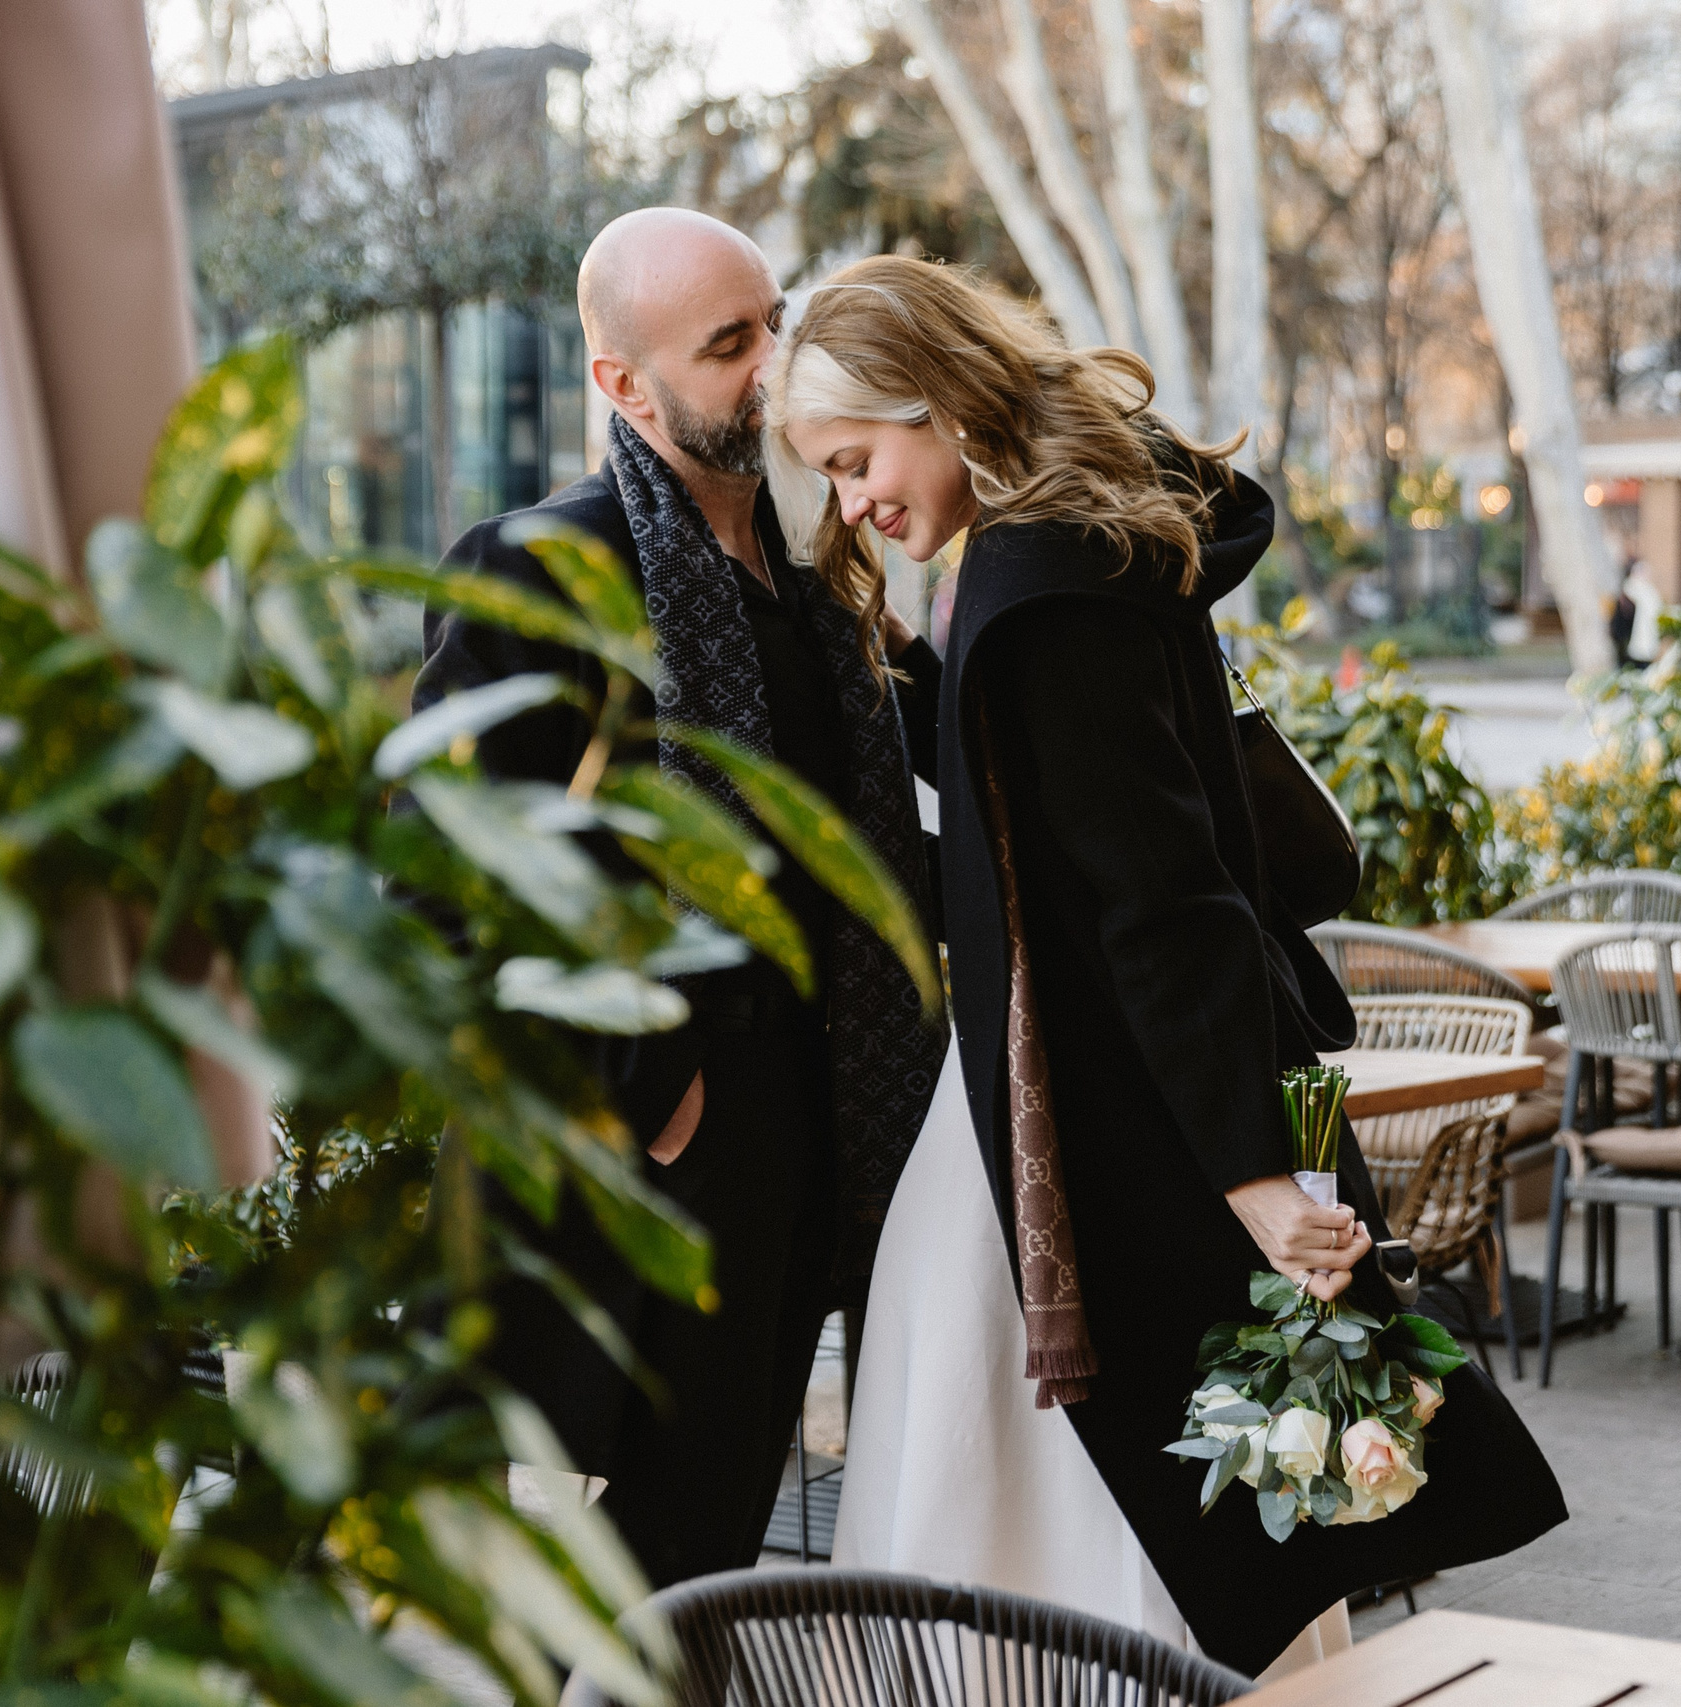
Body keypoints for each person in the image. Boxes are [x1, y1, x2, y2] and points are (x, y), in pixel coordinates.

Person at [764, 256, 1564, 1674]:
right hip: (1238, 1064)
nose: (854, 503)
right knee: (1241, 1476)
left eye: (856, 458)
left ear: (939, 400)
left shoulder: (1036, 590)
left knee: (1060, 1516)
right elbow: (1072, 814)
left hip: (1108, 1117)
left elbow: (1157, 905)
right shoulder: (1081, 542)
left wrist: (1256, 1181)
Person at [410, 210, 946, 1588]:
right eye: (727, 344)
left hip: (834, 1118)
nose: (773, 364)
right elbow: (457, 873)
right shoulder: (538, 566)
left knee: (721, 1552)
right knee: (655, 1564)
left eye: (776, 319)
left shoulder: (824, 572)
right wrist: (653, 1088)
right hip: (671, 1141)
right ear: (621, 384)